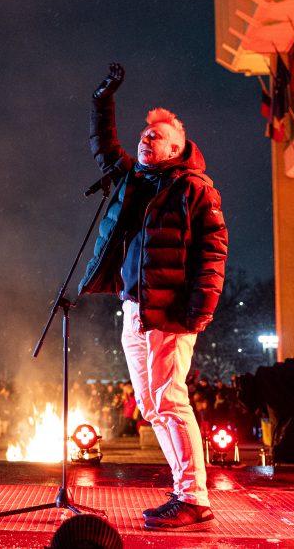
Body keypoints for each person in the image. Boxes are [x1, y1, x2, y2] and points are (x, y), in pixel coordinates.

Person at [78, 63, 228, 531]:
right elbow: (104, 147)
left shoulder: (195, 190)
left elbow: (213, 252)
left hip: (170, 312)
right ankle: (186, 489)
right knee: (151, 404)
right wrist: (104, 99)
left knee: (169, 398)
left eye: (157, 135)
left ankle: (193, 497)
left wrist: (198, 311)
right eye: (144, 133)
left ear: (177, 148)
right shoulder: (134, 182)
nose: (146, 138)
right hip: (135, 309)